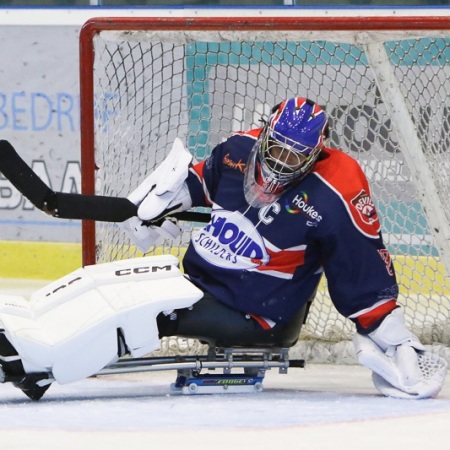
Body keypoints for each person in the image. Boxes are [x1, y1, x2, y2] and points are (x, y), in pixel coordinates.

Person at [0, 97, 446, 400]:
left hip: (256, 313)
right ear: (266, 131)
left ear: (315, 154)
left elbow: (361, 267)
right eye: (277, 149)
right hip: (202, 281)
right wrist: (164, 202)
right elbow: (203, 179)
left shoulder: (336, 193)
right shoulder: (240, 148)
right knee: (101, 280)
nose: (280, 162)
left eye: (295, 157)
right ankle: (23, 324)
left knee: (139, 311)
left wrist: (393, 338)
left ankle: (36, 363)